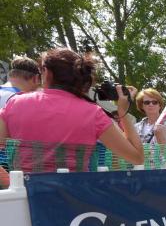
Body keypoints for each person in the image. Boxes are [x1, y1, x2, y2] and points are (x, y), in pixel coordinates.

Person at [0, 47, 143, 172]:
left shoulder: (15, 103)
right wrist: (123, 111)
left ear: (47, 72)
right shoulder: (93, 113)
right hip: (74, 192)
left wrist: (8, 182)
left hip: (25, 191)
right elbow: (137, 158)